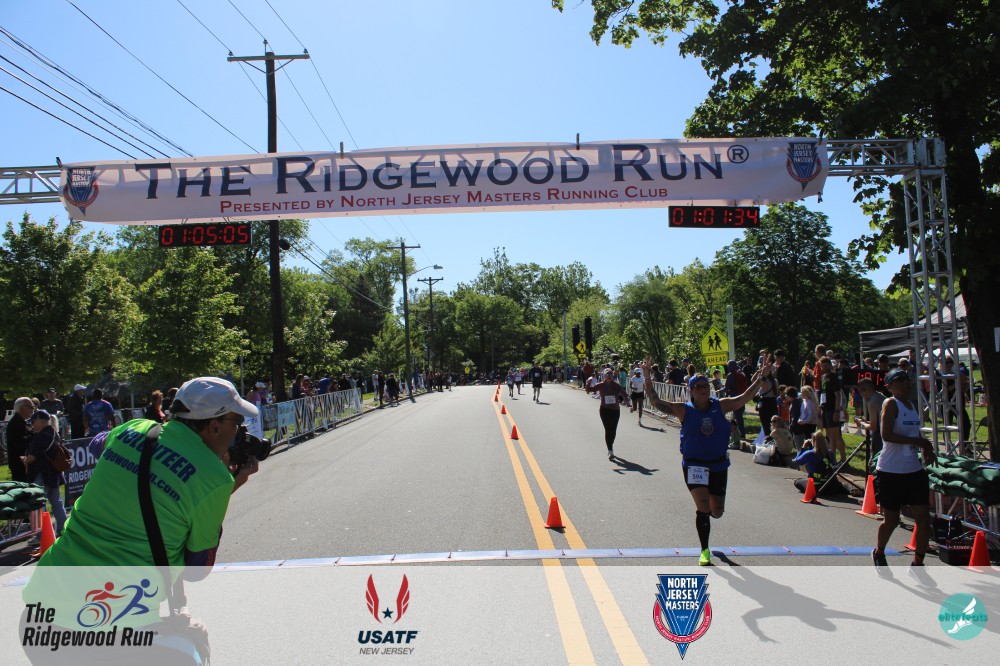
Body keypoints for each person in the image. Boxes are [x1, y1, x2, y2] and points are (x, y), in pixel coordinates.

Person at [33, 377, 259, 567]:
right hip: (122, 597)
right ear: (215, 426)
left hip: (53, 576)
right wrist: (231, 483)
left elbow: (96, 444)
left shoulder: (135, 428)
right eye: (237, 422)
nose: (238, 430)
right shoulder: (215, 478)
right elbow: (197, 568)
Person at [642, 355, 774, 566]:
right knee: (703, 508)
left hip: (718, 465)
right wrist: (647, 377)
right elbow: (657, 402)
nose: (703, 389)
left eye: (705, 386)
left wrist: (761, 378)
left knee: (717, 511)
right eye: (698, 387)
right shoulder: (684, 409)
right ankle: (704, 550)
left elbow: (744, 397)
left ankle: (709, 519)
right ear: (691, 391)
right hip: (694, 465)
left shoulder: (720, 406)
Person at [872, 368, 936, 585]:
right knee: (891, 520)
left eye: (908, 379)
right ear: (890, 386)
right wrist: (919, 442)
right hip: (891, 470)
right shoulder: (890, 404)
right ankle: (879, 552)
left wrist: (926, 449)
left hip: (913, 470)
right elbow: (887, 435)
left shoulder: (911, 406)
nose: (907, 383)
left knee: (924, 519)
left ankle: (918, 565)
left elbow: (914, 435)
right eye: (900, 380)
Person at [21, 410, 68, 536]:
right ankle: (63, 530)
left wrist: (25, 460)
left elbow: (32, 457)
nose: (32, 425)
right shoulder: (54, 433)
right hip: (53, 473)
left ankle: (41, 535)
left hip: (42, 473)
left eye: (33, 422)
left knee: (38, 505)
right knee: (56, 502)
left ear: (40, 421)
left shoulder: (42, 436)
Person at [593, 368, 630, 460]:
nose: (609, 377)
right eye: (607, 375)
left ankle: (610, 444)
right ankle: (610, 450)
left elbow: (624, 393)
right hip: (604, 410)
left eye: (610, 375)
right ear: (604, 376)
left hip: (615, 410)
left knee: (613, 430)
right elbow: (590, 389)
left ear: (613, 376)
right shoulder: (601, 385)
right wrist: (588, 383)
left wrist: (626, 400)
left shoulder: (616, 385)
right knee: (608, 430)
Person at [5, 397, 34, 482]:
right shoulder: (16, 423)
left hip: (22, 463)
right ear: (22, 408)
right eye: (30, 407)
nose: (33, 409)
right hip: (19, 464)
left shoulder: (21, 422)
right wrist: (34, 436)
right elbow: (19, 444)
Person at [854, 378, 886, 456]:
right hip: (887, 434)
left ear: (864, 390)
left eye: (860, 392)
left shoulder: (872, 401)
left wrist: (861, 422)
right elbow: (878, 421)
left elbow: (874, 427)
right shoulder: (881, 396)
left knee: (875, 460)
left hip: (880, 436)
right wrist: (865, 421)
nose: (861, 395)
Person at [724, 361, 750, 441]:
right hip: (742, 398)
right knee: (739, 417)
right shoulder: (740, 375)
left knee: (737, 417)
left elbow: (726, 388)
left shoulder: (730, 376)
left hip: (734, 399)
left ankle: (740, 434)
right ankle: (741, 434)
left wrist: (719, 391)